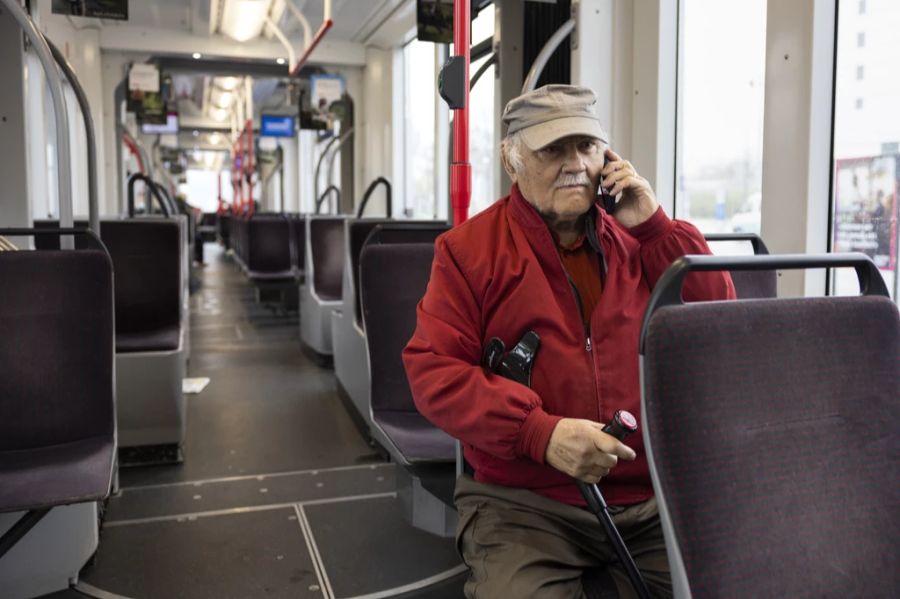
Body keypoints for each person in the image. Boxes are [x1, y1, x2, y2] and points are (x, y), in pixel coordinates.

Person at [402, 84, 735, 598]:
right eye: (553, 149)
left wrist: (655, 229)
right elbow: (434, 372)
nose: (575, 163)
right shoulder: (468, 252)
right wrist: (541, 433)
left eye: (586, 146)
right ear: (513, 163)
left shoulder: (644, 240)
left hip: (648, 496)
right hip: (525, 503)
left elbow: (720, 328)